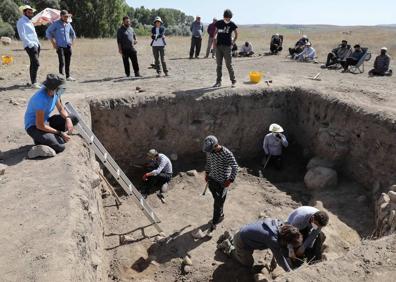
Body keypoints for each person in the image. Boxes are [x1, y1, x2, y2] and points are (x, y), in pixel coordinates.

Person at [217, 219, 302, 272]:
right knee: (248, 263)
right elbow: (280, 258)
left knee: (240, 241)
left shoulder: (281, 225)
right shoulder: (272, 238)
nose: (288, 245)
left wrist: (274, 260)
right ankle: (228, 246)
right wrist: (290, 273)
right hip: (242, 242)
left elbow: (278, 248)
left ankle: (230, 237)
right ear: (285, 239)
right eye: (288, 243)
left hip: (245, 234)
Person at [24, 74, 79, 153]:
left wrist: (68, 119)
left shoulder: (55, 93)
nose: (63, 90)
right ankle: (39, 139)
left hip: (46, 122)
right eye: (61, 88)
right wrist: (60, 133)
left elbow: (61, 109)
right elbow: (40, 125)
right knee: (60, 146)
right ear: (53, 89)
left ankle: (47, 137)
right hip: (34, 127)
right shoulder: (40, 99)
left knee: (74, 118)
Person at [203, 135, 238, 230]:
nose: (209, 152)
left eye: (211, 149)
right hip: (212, 180)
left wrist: (230, 180)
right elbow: (209, 163)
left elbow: (235, 167)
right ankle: (221, 214)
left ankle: (214, 222)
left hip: (223, 183)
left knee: (217, 204)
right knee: (217, 200)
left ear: (216, 145)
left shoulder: (227, 153)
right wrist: (207, 173)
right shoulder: (210, 151)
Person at [45, 10, 76, 81]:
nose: (66, 18)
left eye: (67, 16)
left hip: (68, 46)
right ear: (61, 16)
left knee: (68, 61)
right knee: (62, 62)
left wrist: (72, 42)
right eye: (65, 16)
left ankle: (68, 76)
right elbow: (48, 32)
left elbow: (73, 34)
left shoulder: (68, 24)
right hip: (59, 46)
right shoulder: (56, 24)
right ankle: (61, 77)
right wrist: (53, 43)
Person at [17, 5, 41, 88]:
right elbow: (22, 34)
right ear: (24, 12)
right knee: (36, 63)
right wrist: (30, 43)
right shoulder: (21, 21)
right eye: (29, 12)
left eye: (31, 12)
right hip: (30, 45)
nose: (31, 13)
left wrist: (38, 43)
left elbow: (33, 33)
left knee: (33, 63)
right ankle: (34, 83)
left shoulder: (30, 21)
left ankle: (33, 82)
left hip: (36, 44)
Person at [213, 9, 238, 88]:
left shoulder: (232, 24)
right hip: (219, 46)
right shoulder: (219, 23)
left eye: (229, 18)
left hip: (227, 47)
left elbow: (236, 34)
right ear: (224, 16)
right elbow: (215, 32)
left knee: (228, 64)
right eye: (226, 17)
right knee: (219, 65)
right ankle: (218, 81)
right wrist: (214, 39)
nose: (228, 19)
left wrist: (232, 43)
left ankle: (233, 81)